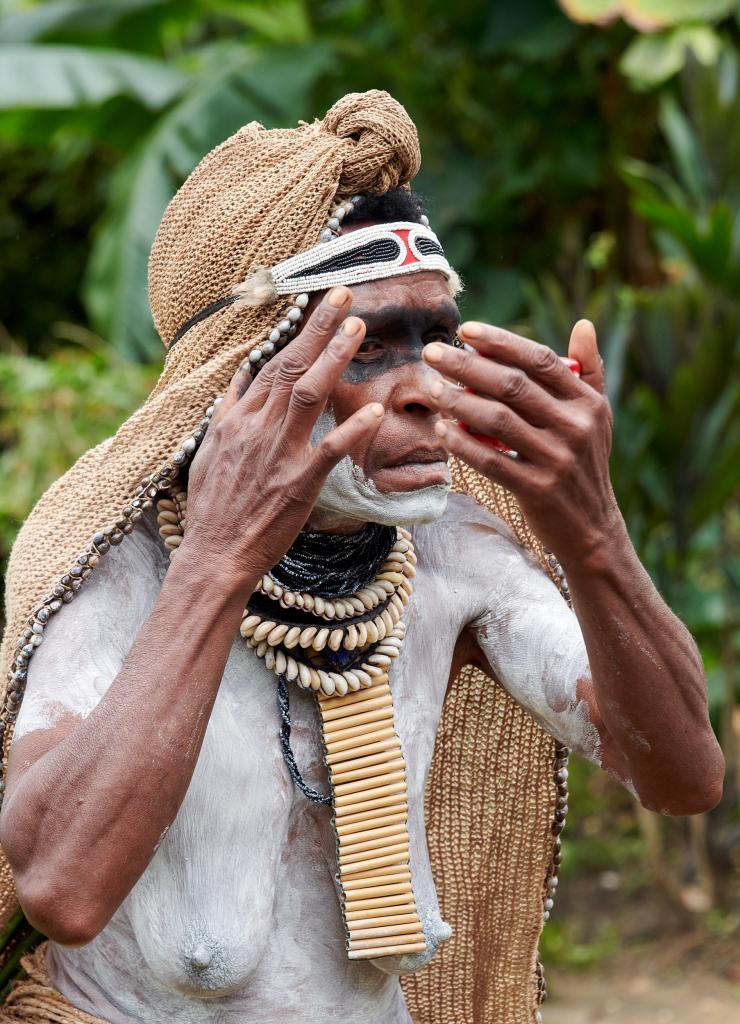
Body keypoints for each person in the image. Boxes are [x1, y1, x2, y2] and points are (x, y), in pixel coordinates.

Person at [0, 91, 723, 1024]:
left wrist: (591, 531)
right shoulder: (120, 567)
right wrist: (219, 561)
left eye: (438, 339)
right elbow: (61, 888)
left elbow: (682, 776)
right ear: (244, 375)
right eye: (372, 347)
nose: (425, 389)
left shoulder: (449, 554)